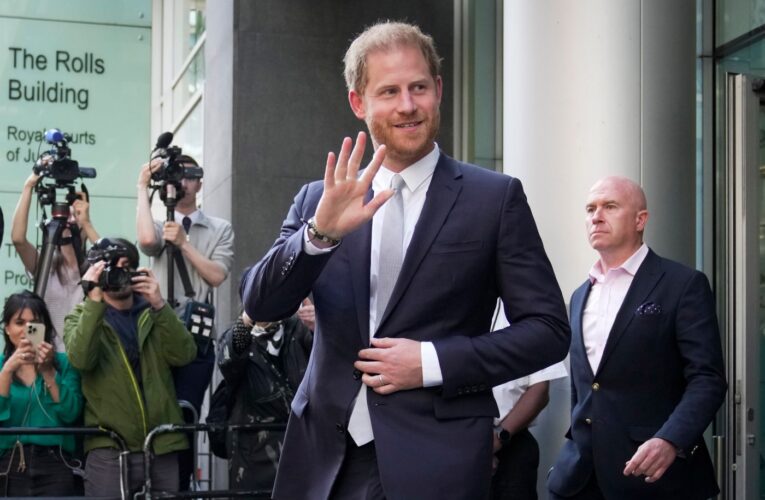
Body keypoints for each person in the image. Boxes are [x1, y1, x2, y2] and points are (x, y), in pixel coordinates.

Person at [240, 21, 570, 500]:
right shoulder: (320, 199)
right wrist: (319, 234)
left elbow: (548, 332)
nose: (407, 105)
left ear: (438, 90)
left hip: (438, 459)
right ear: (359, 102)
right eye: (389, 91)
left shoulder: (494, 199)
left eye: (418, 87)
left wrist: (433, 361)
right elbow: (260, 303)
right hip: (322, 461)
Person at [546, 176, 727, 500]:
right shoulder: (579, 296)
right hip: (580, 479)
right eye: (590, 209)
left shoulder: (682, 284)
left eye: (609, 207)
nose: (596, 216)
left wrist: (671, 440)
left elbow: (707, 379)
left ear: (640, 219)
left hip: (655, 477)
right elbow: (585, 387)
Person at [64, 237, 197, 497]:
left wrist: (160, 304)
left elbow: (185, 355)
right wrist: (93, 300)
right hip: (110, 448)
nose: (118, 273)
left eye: (125, 266)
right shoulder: (81, 317)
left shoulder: (157, 313)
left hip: (161, 444)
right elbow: (81, 359)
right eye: (110, 267)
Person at [136, 155, 234, 489]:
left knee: (185, 411)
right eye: (174, 177)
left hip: (197, 334)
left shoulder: (219, 228)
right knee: (156, 408)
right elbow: (147, 243)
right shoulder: (158, 221)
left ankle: (181, 483)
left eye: (188, 176)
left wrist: (184, 243)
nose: (181, 182)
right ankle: (153, 482)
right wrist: (141, 187)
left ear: (199, 182)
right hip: (158, 326)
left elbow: (216, 276)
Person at [216, 309, 312, 492]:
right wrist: (249, 316)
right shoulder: (240, 333)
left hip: (299, 446)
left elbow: (329, 355)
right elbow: (227, 361)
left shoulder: (298, 328)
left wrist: (318, 325)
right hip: (252, 451)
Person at [0, 291, 83, 496]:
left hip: (56, 463)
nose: (26, 330)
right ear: (7, 328)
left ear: (44, 329)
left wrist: (48, 371)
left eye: (34, 324)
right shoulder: (2, 367)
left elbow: (71, 413)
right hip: (10, 463)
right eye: (19, 323)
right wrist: (7, 371)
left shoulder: (64, 364)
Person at [11, 171, 99, 348]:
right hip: (47, 356)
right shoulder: (46, 264)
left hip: (83, 356)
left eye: (75, 215)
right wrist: (28, 187)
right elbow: (18, 240)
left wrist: (88, 224)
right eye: (65, 215)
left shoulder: (94, 266)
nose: (69, 220)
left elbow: (114, 258)